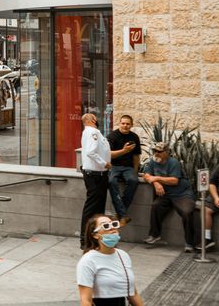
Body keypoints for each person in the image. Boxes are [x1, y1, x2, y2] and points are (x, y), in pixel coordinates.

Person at [141, 142, 197, 252]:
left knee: (187, 212)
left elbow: (174, 180)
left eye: (160, 152)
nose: (156, 153)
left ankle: (189, 243)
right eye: (155, 151)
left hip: (182, 194)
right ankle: (154, 235)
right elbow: (146, 175)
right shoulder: (153, 161)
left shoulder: (173, 163)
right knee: (156, 206)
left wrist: (156, 179)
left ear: (167, 152)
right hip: (166, 195)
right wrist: (156, 184)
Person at [77, 214, 144, 306]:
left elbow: (133, 293)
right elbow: (86, 301)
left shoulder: (123, 255)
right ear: (96, 235)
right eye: (106, 226)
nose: (112, 228)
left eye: (114, 224)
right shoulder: (88, 261)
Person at [80, 113, 111, 249]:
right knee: (93, 208)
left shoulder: (90, 132)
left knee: (97, 208)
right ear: (93, 120)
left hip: (98, 174)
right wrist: (104, 163)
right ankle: (85, 239)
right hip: (95, 175)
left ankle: (93, 237)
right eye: (95, 117)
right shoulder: (93, 132)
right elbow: (91, 152)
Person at [107, 115, 141, 224]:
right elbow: (109, 155)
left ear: (131, 125)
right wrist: (124, 150)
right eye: (123, 123)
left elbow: (136, 156)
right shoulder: (112, 136)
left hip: (128, 167)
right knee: (111, 181)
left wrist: (135, 171)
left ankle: (120, 213)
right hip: (114, 166)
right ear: (119, 123)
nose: (125, 126)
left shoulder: (134, 137)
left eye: (128, 124)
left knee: (133, 180)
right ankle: (122, 214)